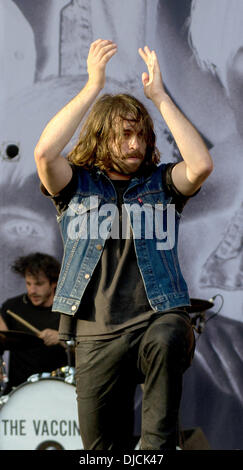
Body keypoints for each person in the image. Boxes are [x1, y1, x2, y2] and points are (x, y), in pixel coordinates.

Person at [34, 39, 213, 450]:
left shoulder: (161, 185)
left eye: (141, 135)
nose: (135, 144)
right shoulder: (75, 186)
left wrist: (160, 97)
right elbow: (44, 153)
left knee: (168, 336)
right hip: (96, 332)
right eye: (125, 135)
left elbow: (201, 165)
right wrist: (93, 85)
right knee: (101, 450)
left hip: (157, 315)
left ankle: (155, 451)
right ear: (102, 136)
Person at [0, 252, 67, 394]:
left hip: (60, 389)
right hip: (18, 390)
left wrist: (62, 339)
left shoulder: (67, 311)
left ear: (54, 283)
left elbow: (85, 349)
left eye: (39, 284)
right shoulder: (12, 307)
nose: (32, 291)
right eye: (28, 283)